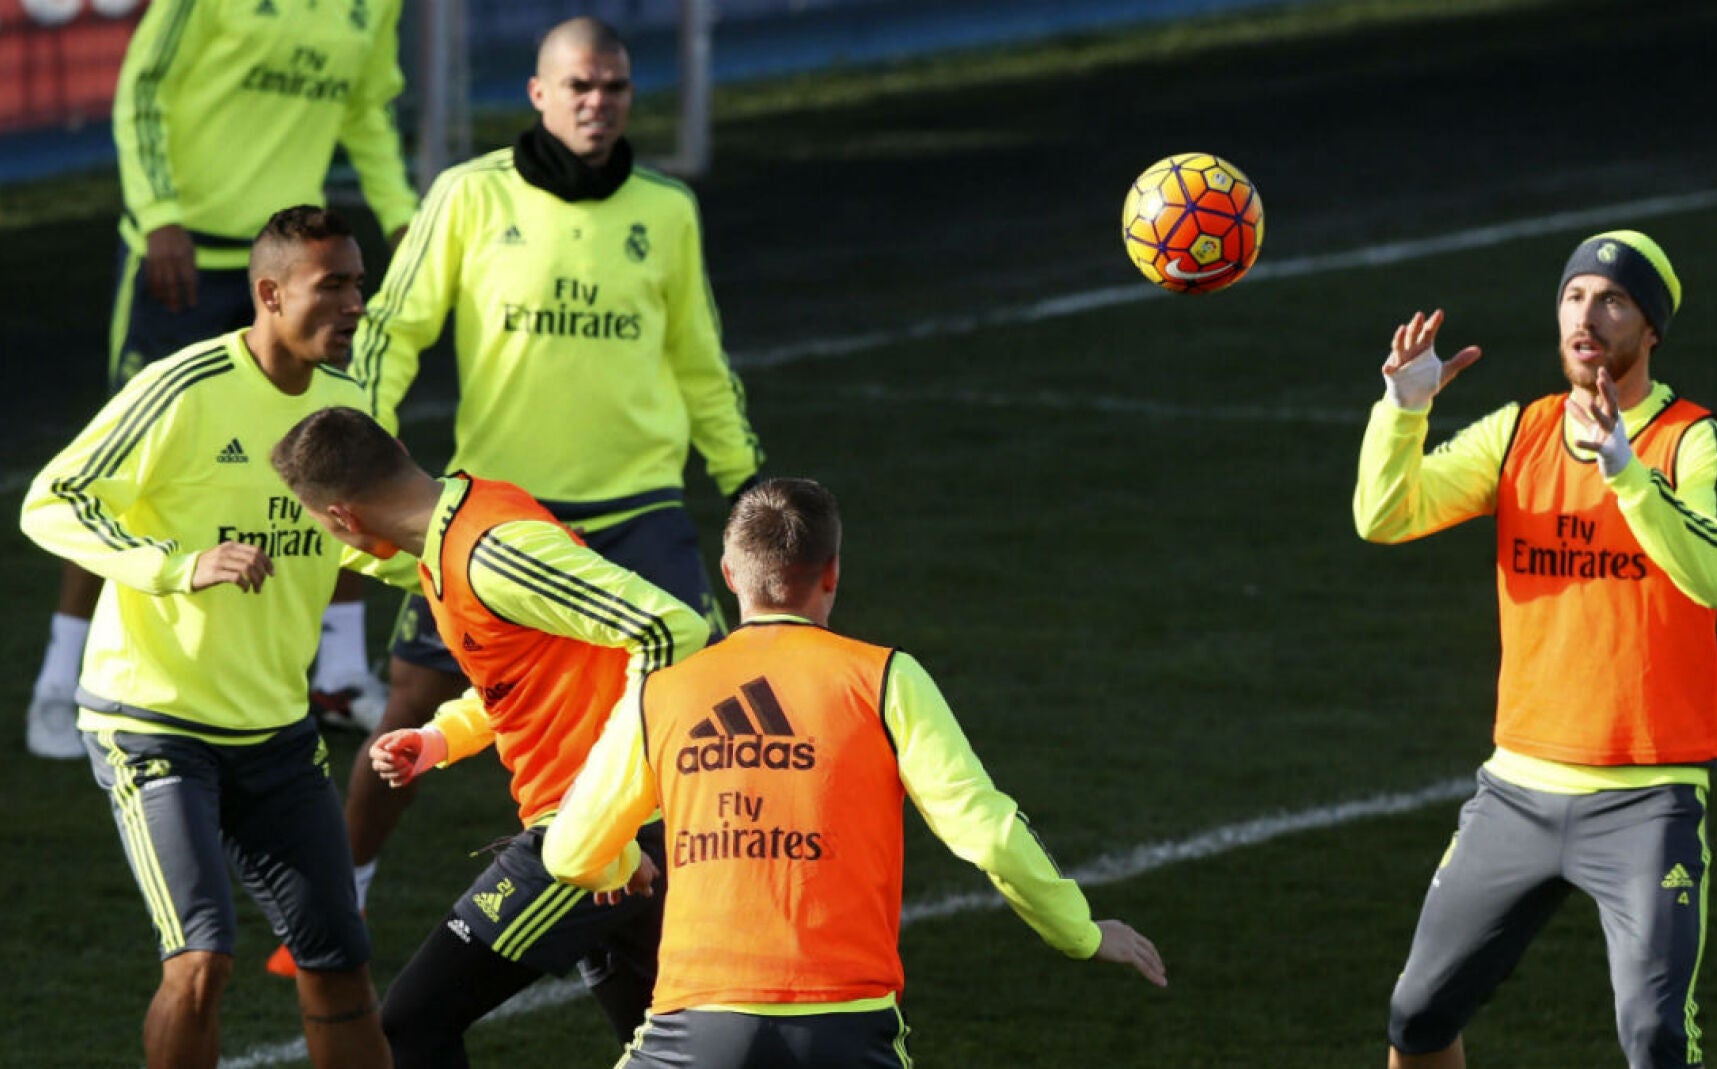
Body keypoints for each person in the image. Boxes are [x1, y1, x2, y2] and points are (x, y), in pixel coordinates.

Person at [338, 13, 763, 937]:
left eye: (613, 87)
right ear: (537, 93)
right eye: (578, 86)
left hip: (638, 506)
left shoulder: (666, 210)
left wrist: (744, 479)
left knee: (701, 700)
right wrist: (360, 436)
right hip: (497, 521)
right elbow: (396, 329)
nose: (596, 103)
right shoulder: (466, 196)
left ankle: (712, 902)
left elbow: (700, 358)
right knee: (414, 701)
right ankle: (341, 895)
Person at [542, 477, 1167, 1068]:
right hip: (847, 1023)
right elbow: (990, 832)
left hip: (697, 1023)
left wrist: (624, 865)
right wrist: (1079, 932)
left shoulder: (662, 694)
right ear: (833, 574)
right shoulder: (887, 679)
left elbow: (569, 852)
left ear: (730, 575)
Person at [1352, 231, 1717, 1069]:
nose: (1587, 315)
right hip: (1518, 793)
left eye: (1613, 300)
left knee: (1656, 1039)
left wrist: (1626, 472)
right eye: (1575, 296)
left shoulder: (1696, 441)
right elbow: (1386, 515)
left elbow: (1716, 574)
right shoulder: (1520, 433)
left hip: (1647, 798)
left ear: (1651, 330)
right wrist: (1404, 411)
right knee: (1417, 1016)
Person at [20, 207, 399, 1069]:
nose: (353, 305)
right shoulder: (183, 386)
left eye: (358, 285)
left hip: (274, 729)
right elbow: (52, 499)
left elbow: (379, 544)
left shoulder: (348, 407)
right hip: (151, 721)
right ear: (268, 294)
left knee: (339, 958)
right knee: (201, 957)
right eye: (330, 286)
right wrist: (174, 566)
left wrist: (462, 572)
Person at [25, 0, 419, 760]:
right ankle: (58, 677)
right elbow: (142, 88)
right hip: (181, 259)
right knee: (128, 467)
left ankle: (336, 671)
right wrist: (159, 210)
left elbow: (366, 108)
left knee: (341, 447)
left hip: (293, 271)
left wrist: (401, 214)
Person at [269, 405, 712, 1066]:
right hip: (610, 825)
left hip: (594, 828)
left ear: (344, 520)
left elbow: (670, 629)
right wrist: (442, 737)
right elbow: (525, 673)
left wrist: (610, 813)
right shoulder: (460, 528)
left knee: (412, 1022)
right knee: (678, 1048)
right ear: (397, 444)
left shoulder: (491, 552)